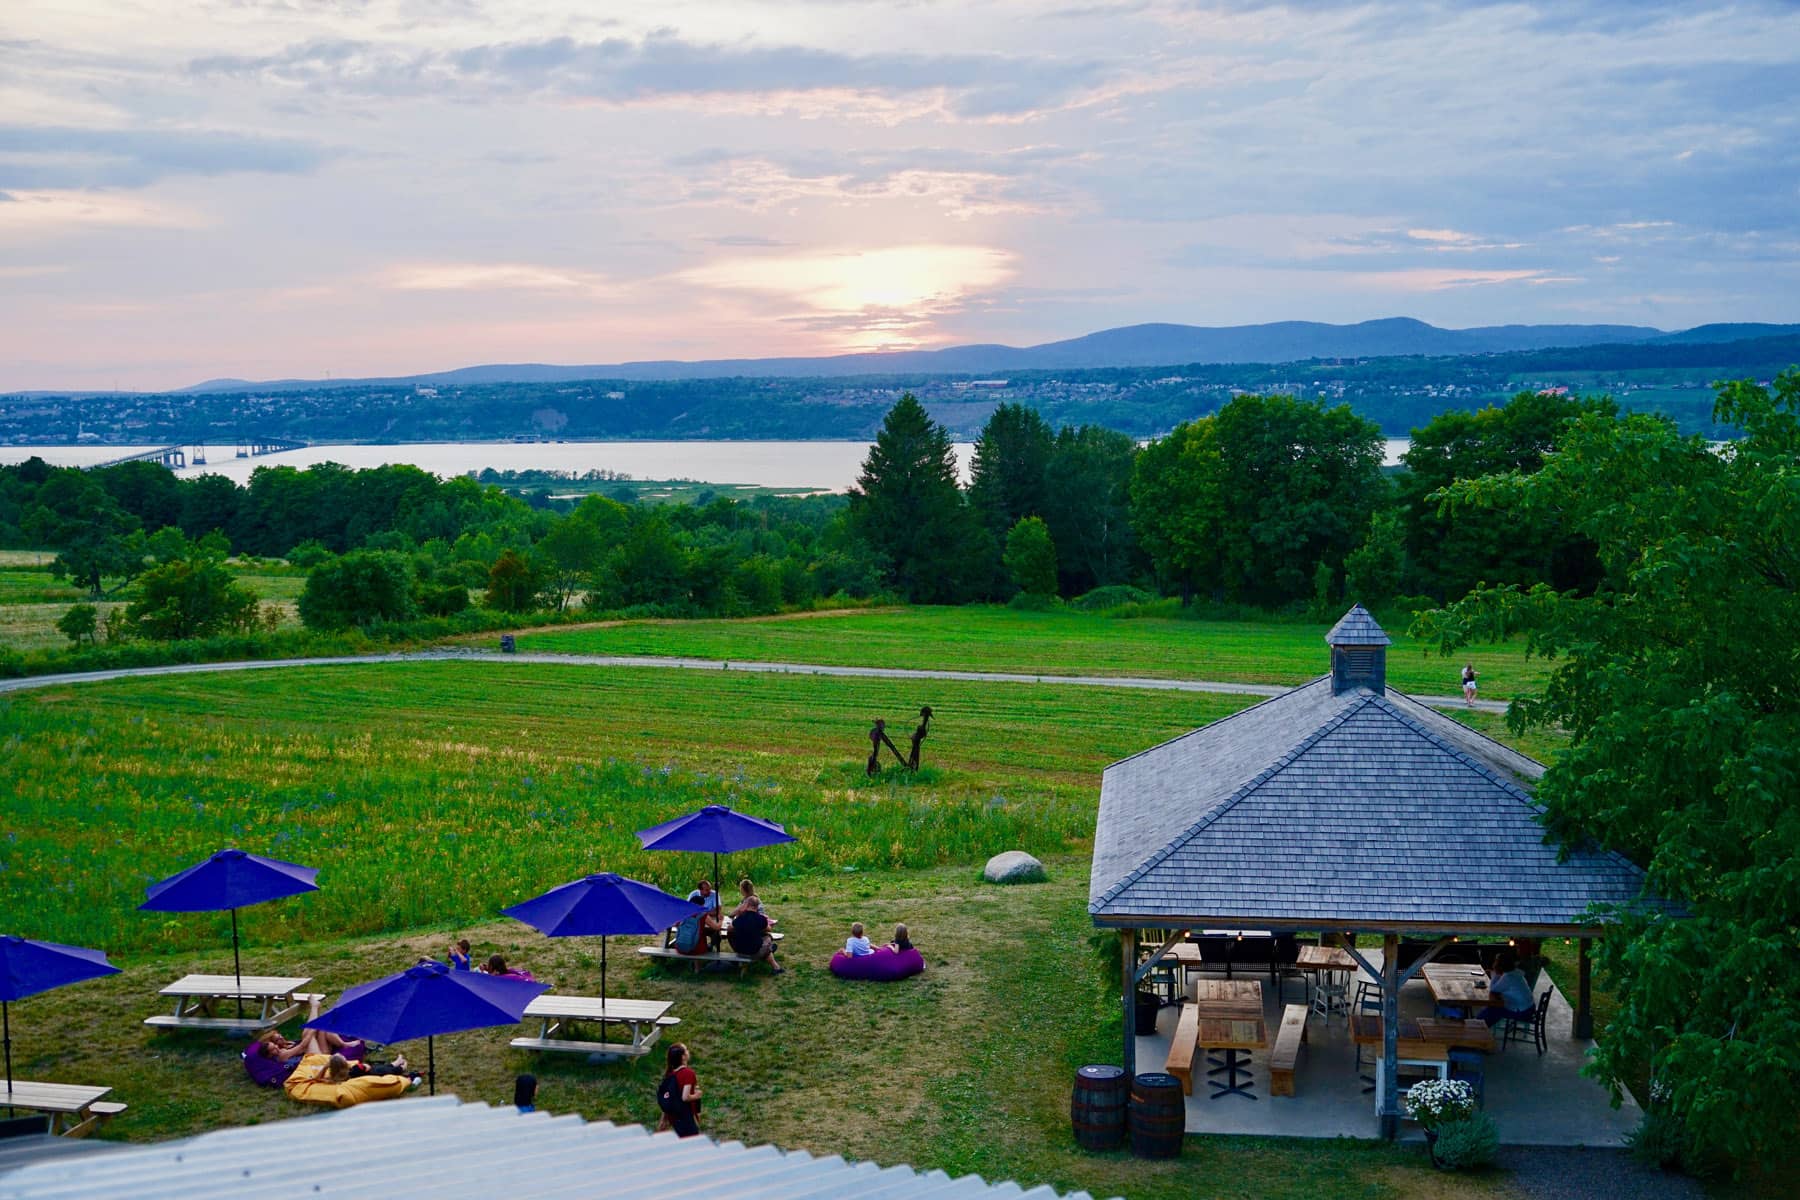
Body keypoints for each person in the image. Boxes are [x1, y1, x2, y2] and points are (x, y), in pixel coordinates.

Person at [1478, 950, 1536, 1027]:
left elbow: (1493, 989)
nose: (1494, 963)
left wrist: (1495, 974)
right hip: (1529, 1008)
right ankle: (1481, 1026)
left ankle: (1479, 1026)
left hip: (1522, 1012)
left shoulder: (1508, 977)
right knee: (1492, 1009)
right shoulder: (1515, 972)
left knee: (1493, 1010)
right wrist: (1495, 974)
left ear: (1500, 965)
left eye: (1496, 961)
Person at [727, 896, 784, 974]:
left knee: (730, 933)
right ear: (757, 907)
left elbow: (729, 928)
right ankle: (775, 964)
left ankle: (771, 956)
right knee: (768, 936)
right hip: (754, 952)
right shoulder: (761, 919)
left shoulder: (740, 918)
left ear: (746, 905)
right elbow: (769, 929)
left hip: (739, 950)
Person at [656, 1043, 702, 1137]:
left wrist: (663, 1120)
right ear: (683, 1057)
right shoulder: (688, 1073)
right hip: (686, 1117)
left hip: (674, 1118)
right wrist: (697, 1095)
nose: (688, 1051)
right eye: (686, 1050)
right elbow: (685, 1097)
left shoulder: (670, 1074)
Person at [686, 880, 724, 951]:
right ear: (700, 890)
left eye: (710, 888)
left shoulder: (714, 894)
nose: (710, 891)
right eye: (707, 890)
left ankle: (710, 946)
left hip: (707, 922)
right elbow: (688, 908)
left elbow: (718, 910)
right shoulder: (693, 894)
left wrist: (700, 912)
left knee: (717, 935)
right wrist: (720, 919)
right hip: (696, 926)